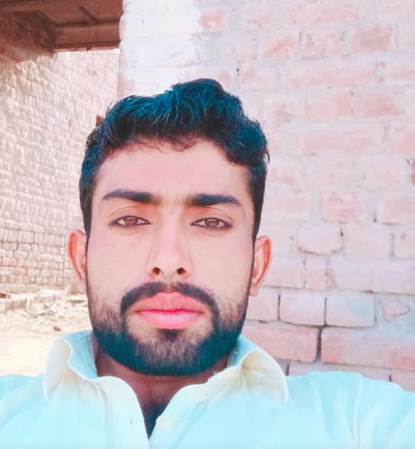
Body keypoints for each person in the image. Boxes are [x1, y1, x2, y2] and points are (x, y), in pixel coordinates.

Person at [0, 79, 414, 448]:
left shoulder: (355, 423)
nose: (168, 261)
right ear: (80, 258)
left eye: (212, 222)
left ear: (257, 265)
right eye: (130, 220)